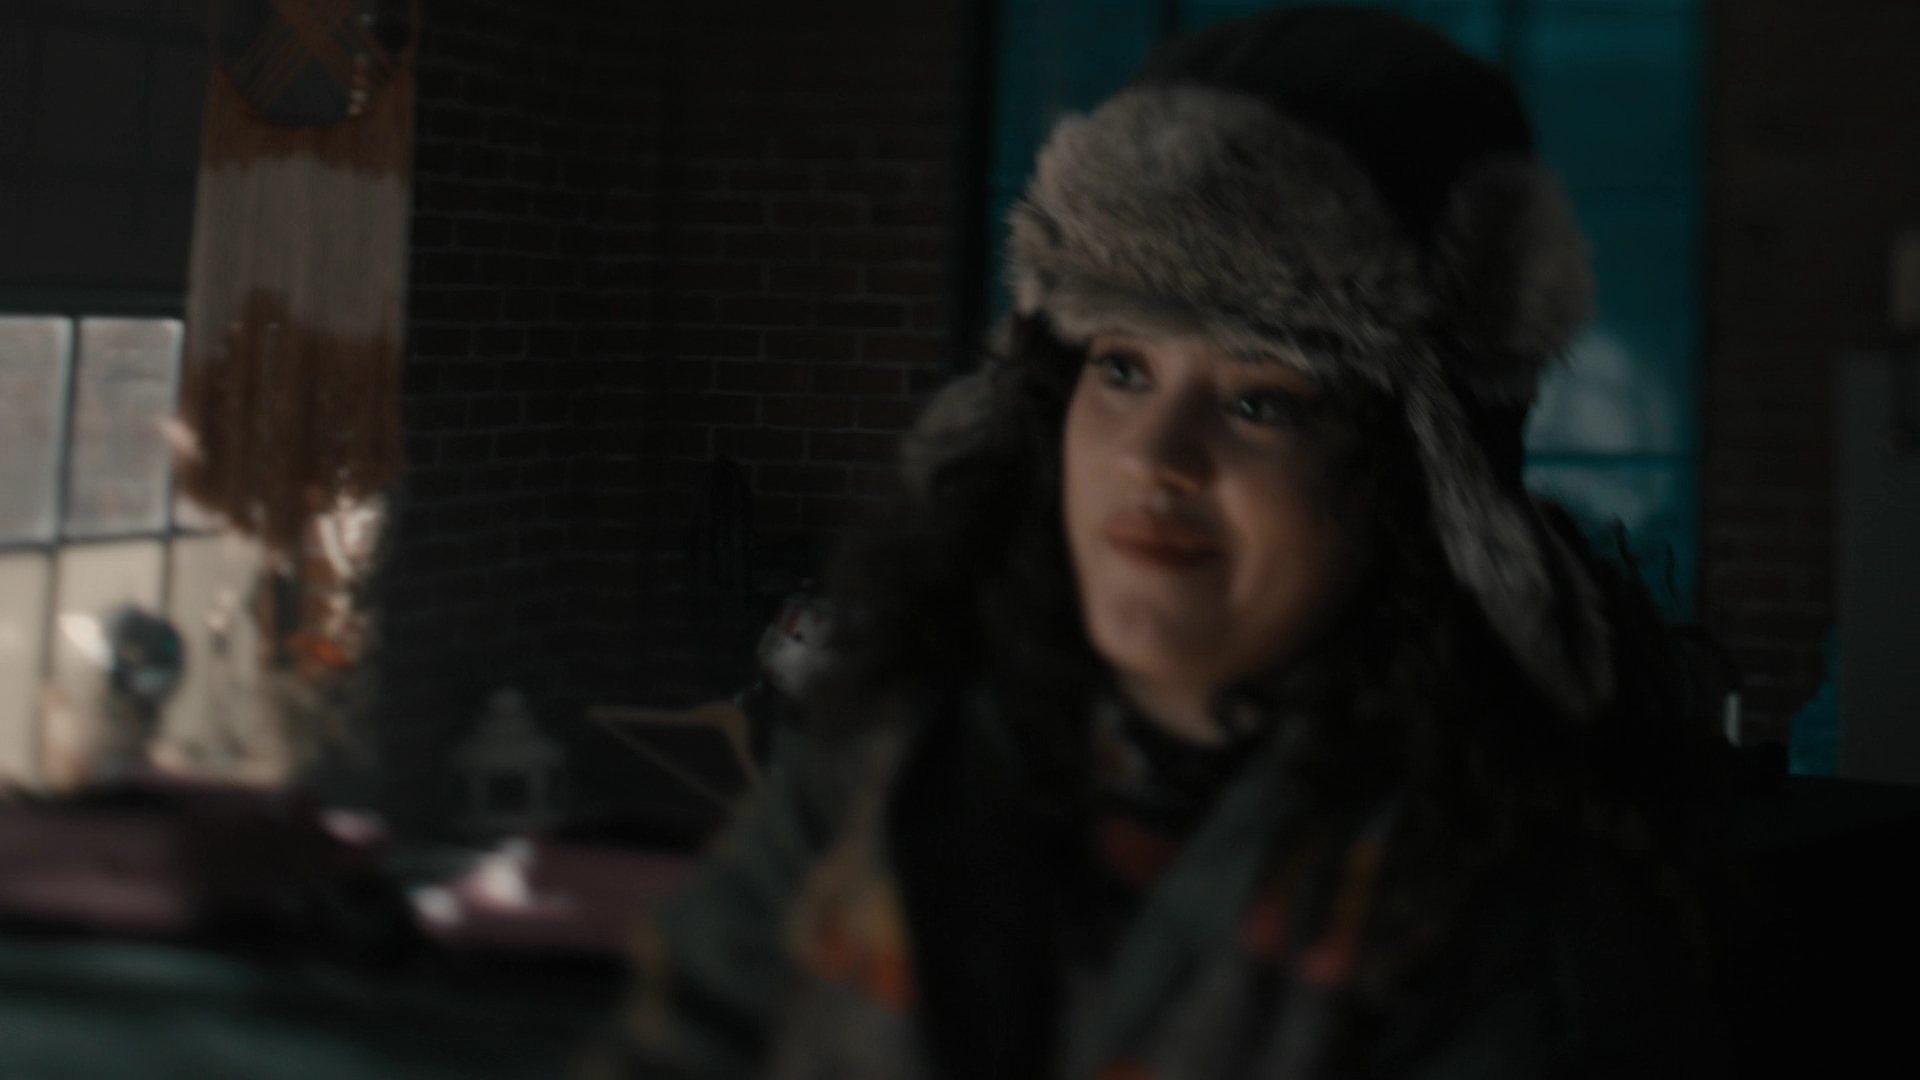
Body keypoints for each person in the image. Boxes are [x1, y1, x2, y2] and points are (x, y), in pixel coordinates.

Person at [591, 8, 1728, 1079]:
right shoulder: (905, 746)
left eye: (1259, 400)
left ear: (1419, 481)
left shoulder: (1524, 933)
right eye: (1123, 366)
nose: (1153, 457)